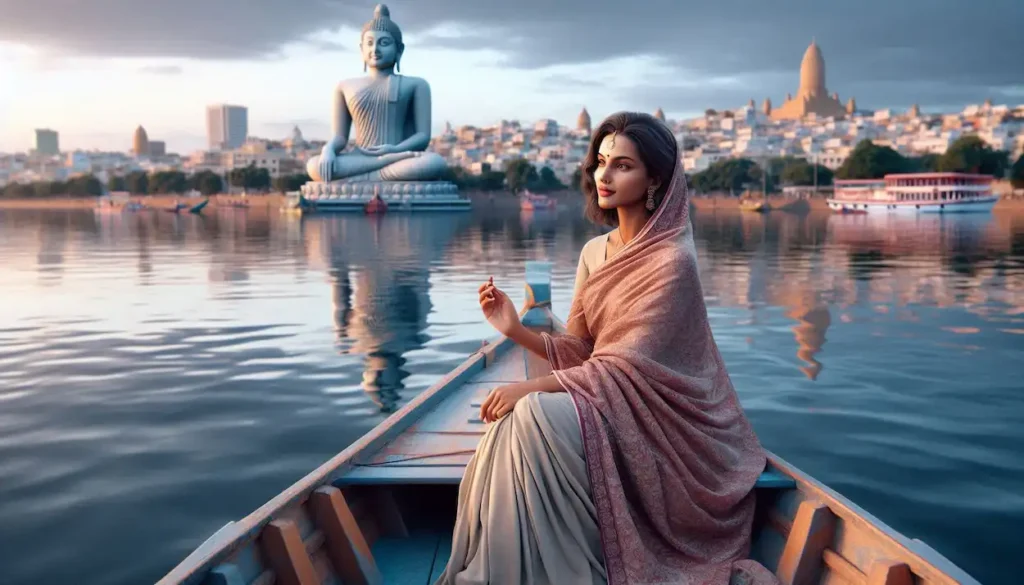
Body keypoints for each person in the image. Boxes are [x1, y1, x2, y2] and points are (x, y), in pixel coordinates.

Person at [436, 112, 777, 585]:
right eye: (600, 162)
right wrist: (513, 328)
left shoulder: (672, 261)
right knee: (511, 428)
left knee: (533, 412)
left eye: (622, 166)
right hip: (606, 399)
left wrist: (531, 386)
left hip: (659, 422)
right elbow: (581, 349)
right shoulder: (594, 253)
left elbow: (627, 366)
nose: (604, 175)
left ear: (654, 178)